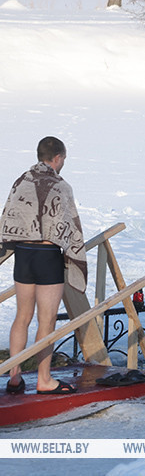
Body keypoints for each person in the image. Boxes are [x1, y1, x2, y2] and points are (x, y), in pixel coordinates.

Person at [0, 136, 86, 395]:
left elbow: (8, 219)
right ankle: (44, 380)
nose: (64, 163)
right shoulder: (61, 186)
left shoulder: (21, 182)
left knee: (22, 317)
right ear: (57, 158)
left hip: (23, 255)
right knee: (46, 320)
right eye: (64, 159)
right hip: (47, 256)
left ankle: (14, 377)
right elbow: (70, 228)